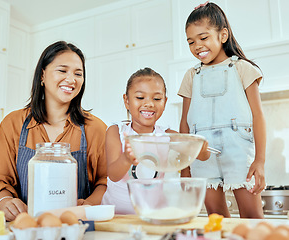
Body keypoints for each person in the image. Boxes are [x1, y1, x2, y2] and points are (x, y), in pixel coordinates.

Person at [0, 41, 107, 221]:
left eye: (78, 73)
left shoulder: (96, 128)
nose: (71, 79)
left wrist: (88, 206)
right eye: (62, 70)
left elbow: (107, 183)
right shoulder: (13, 124)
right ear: (42, 75)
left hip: (78, 228)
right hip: (26, 228)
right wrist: (4, 201)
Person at [178, 2, 266, 218]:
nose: (197, 45)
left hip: (238, 154)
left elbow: (258, 117)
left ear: (223, 35)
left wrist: (260, 161)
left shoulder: (243, 69)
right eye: (191, 41)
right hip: (202, 158)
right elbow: (185, 124)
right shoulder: (191, 75)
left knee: (252, 220)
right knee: (216, 220)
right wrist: (185, 165)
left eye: (203, 37)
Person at [101, 67, 209, 214]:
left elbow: (200, 153)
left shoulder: (167, 136)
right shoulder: (116, 131)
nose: (149, 104)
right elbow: (113, 175)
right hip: (116, 215)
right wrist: (126, 158)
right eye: (140, 98)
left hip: (153, 214)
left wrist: (202, 150)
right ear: (126, 101)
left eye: (157, 99)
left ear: (164, 102)